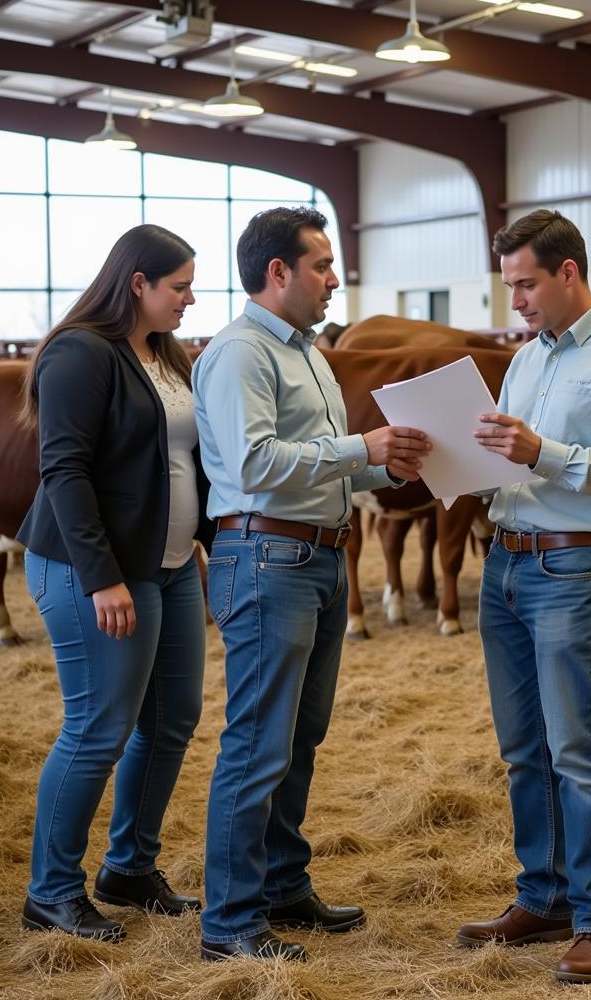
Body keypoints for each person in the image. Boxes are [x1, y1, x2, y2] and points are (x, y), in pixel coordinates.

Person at [193, 206, 430, 963]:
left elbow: (312, 455)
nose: (334, 280)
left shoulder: (308, 352)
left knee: (299, 737)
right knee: (259, 742)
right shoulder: (239, 355)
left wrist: (380, 466)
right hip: (267, 558)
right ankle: (230, 919)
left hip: (317, 555)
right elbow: (256, 464)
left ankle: (282, 886)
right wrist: (362, 443)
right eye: (323, 266)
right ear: (278, 273)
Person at [460, 210, 591, 983]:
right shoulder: (528, 359)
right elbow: (512, 455)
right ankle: (544, 894)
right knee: (523, 749)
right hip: (509, 562)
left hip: (575, 568)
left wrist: (542, 452)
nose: (515, 299)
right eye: (511, 284)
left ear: (569, 273)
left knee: (577, 748)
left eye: (526, 283)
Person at [17, 224, 213, 941]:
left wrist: (196, 543)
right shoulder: (81, 354)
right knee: (100, 727)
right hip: (89, 569)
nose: (190, 299)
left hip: (166, 565)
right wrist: (102, 579)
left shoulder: (167, 354)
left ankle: (129, 866)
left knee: (172, 719)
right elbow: (63, 471)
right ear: (138, 283)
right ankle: (51, 890)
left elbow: (185, 462)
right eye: (180, 287)